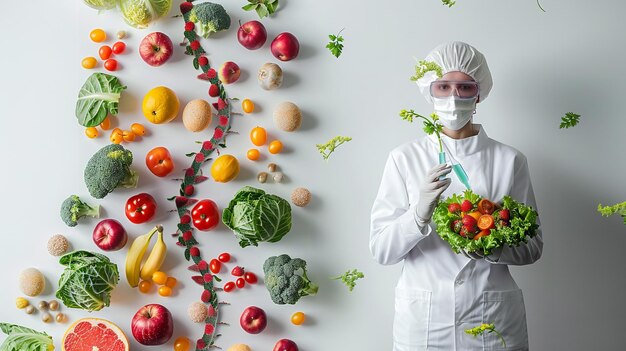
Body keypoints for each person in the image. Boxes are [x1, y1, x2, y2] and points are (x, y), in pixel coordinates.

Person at [369, 41, 543, 350]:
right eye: (443, 86)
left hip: (491, 316)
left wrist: (493, 247)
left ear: (479, 94)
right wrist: (418, 215)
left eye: (464, 87)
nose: (453, 96)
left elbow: (533, 248)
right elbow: (382, 251)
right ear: (429, 92)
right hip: (424, 320)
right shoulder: (403, 158)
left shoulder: (510, 160)